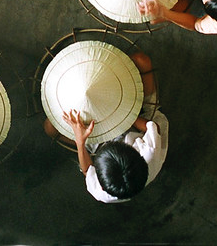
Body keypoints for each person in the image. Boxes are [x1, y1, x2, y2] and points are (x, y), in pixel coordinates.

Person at [44, 52, 168, 202]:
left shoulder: (101, 193)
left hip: (102, 141)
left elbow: (87, 170)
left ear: (101, 185)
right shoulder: (150, 152)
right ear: (136, 154)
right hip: (136, 124)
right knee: (142, 60)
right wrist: (124, 113)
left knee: (49, 127)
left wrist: (80, 141)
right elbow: (152, 127)